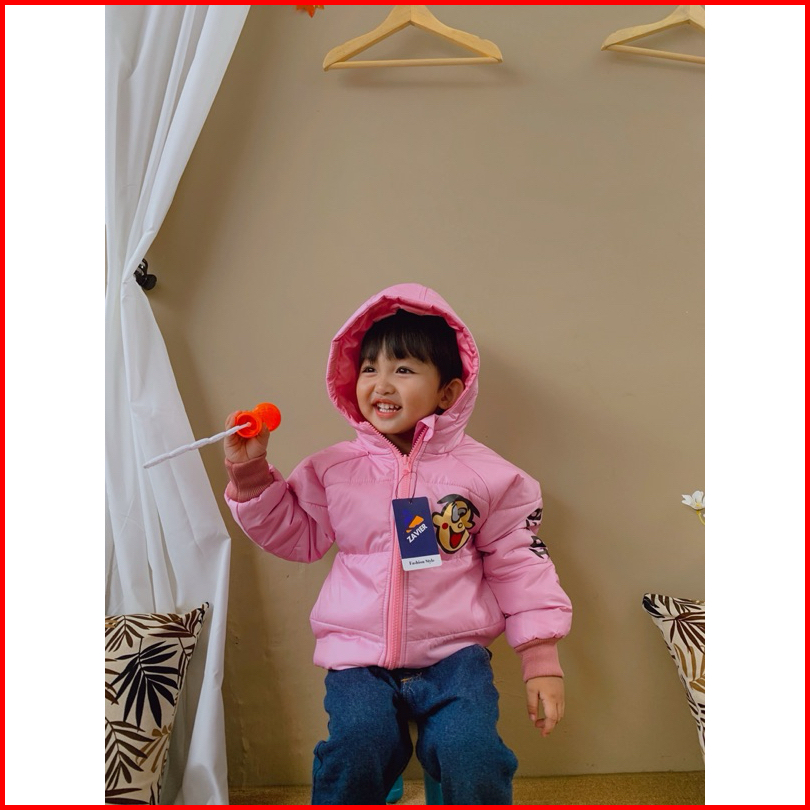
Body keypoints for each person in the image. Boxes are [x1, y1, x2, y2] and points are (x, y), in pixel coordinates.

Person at [223, 283, 573, 805]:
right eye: (369, 368)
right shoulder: (332, 469)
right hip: (359, 657)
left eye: (403, 369)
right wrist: (250, 475)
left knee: (472, 753)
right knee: (356, 748)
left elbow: (520, 562)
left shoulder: (490, 476)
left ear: (448, 393)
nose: (381, 383)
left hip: (455, 657)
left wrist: (540, 657)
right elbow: (297, 535)